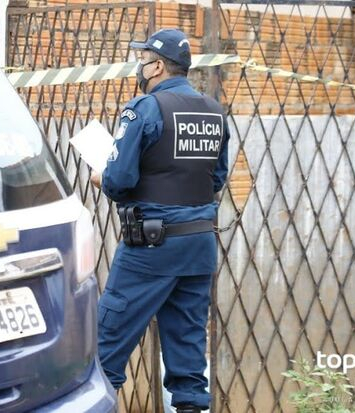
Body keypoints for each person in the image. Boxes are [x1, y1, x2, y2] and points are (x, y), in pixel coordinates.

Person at [90, 28, 230, 413]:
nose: (140, 66)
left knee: (106, 347)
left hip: (151, 248)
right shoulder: (215, 112)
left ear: (156, 66)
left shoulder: (146, 108)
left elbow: (119, 181)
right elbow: (216, 179)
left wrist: (103, 177)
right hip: (199, 245)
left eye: (143, 59)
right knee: (187, 354)